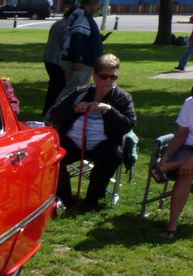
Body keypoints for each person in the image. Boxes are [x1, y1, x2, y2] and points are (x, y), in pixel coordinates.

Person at [50, 53, 136, 211]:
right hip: (73, 142)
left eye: (113, 77)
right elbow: (55, 114)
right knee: (53, 155)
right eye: (104, 76)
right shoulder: (80, 93)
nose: (109, 81)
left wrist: (109, 110)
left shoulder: (122, 98)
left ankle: (91, 201)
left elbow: (128, 125)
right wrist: (75, 110)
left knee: (113, 155)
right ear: (95, 76)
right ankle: (64, 200)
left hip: (102, 145)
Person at [151, 74, 193, 238]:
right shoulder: (190, 103)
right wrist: (167, 155)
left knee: (188, 166)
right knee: (187, 172)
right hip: (189, 147)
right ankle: (172, 226)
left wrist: (189, 160)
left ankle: (169, 167)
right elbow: (181, 134)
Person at [56, 0, 104, 107]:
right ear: (92, 4)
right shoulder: (82, 17)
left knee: (75, 92)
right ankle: (53, 117)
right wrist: (75, 60)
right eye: (98, 5)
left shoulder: (80, 15)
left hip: (81, 61)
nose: (98, 8)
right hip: (80, 63)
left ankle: (64, 117)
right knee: (72, 92)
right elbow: (78, 38)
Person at [43, 3, 76, 117]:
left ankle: (47, 110)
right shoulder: (66, 27)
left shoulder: (57, 23)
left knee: (53, 87)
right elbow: (66, 44)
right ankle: (53, 112)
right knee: (58, 88)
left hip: (49, 58)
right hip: (57, 61)